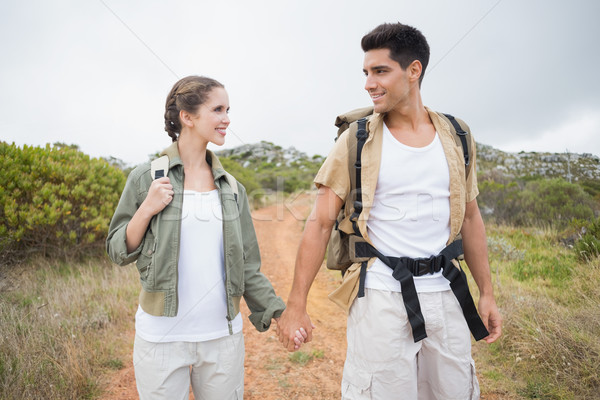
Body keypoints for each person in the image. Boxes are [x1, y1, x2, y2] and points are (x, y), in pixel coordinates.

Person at [276, 23, 502, 399]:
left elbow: (472, 218)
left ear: (414, 71)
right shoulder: (357, 138)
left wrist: (488, 293)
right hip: (380, 298)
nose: (369, 83)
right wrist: (296, 305)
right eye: (366, 72)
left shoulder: (457, 135)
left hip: (447, 294)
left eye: (380, 71)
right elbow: (318, 223)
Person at [106, 76, 301, 399]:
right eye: (218, 109)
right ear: (188, 117)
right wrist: (146, 209)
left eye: (228, 110)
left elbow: (248, 266)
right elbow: (117, 251)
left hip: (222, 339)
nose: (227, 119)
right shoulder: (146, 178)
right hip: (161, 340)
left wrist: (278, 314)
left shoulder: (232, 188)